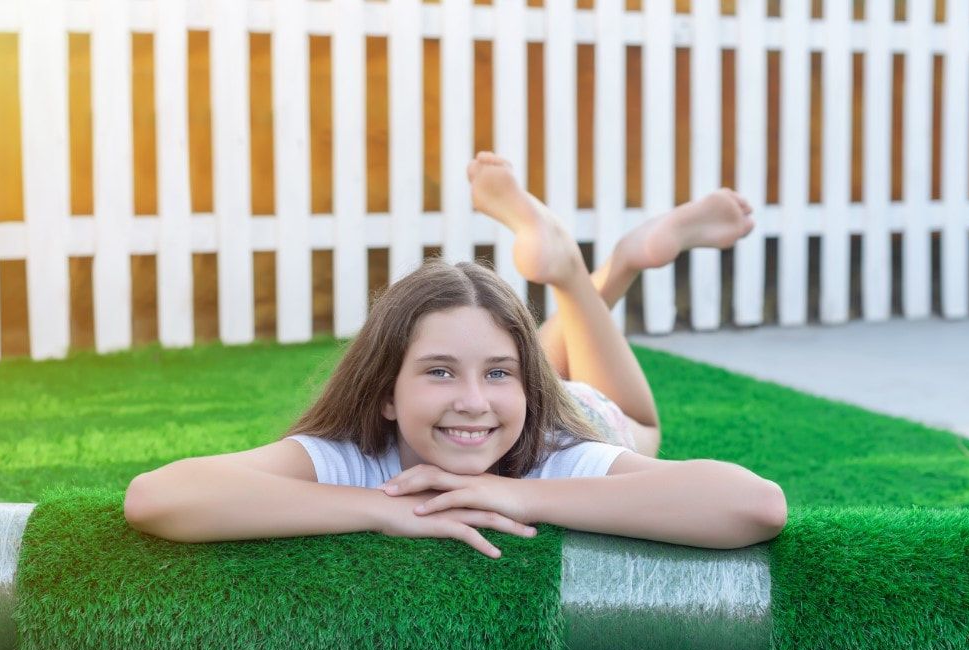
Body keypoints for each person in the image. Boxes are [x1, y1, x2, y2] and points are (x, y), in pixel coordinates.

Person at [123, 152, 784, 558]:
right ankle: (578, 266)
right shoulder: (352, 455)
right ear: (386, 391)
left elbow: (754, 505)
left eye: (500, 373)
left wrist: (515, 496)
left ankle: (600, 267)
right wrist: (386, 510)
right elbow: (159, 496)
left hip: (574, 412)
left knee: (642, 430)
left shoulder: (558, 452)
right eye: (438, 371)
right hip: (528, 399)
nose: (470, 397)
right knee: (510, 367)